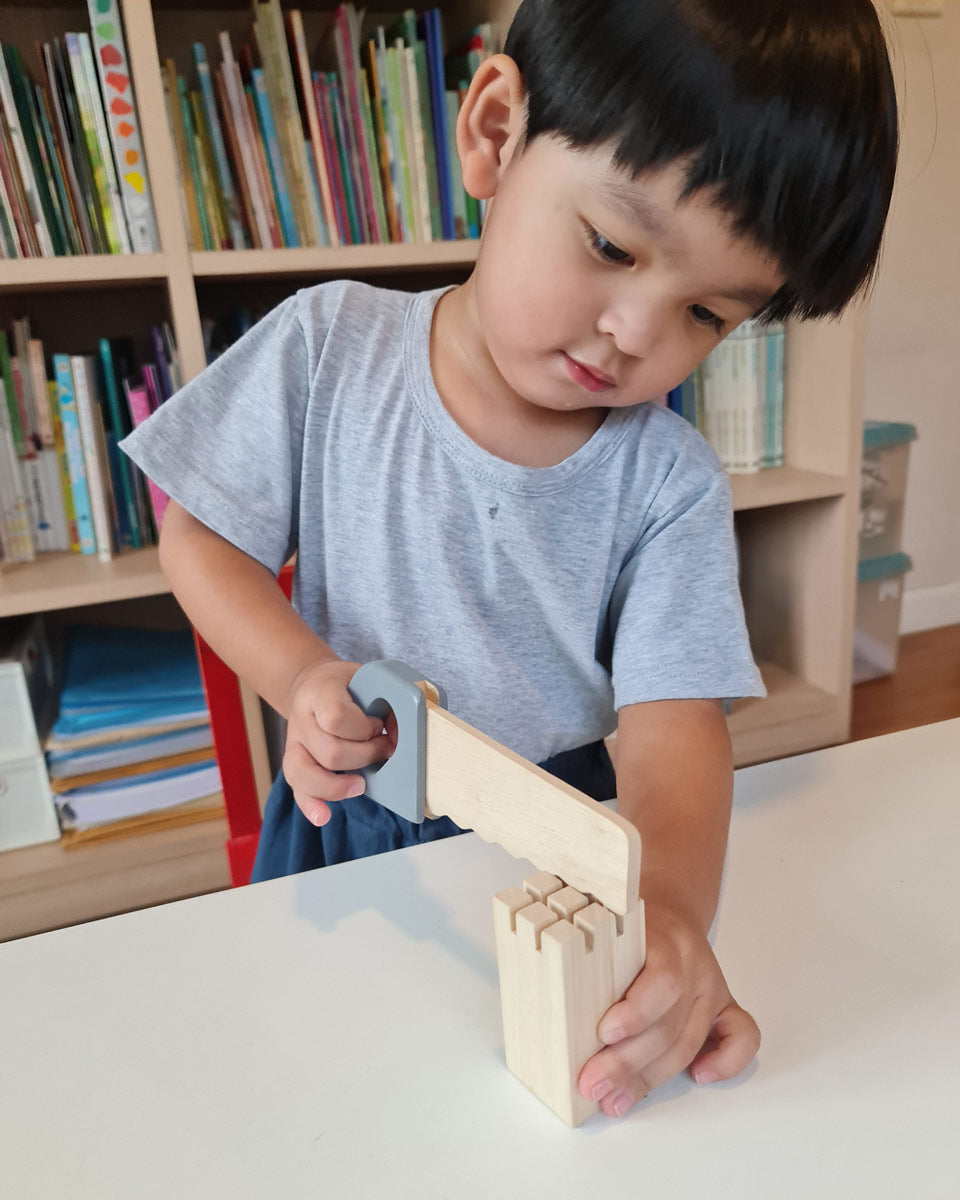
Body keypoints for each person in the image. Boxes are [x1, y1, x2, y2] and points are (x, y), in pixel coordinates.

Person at [121, 0, 898, 1120]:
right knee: (316, 1090)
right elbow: (197, 533)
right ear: (492, 135)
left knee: (512, 1113)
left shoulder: (668, 481)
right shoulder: (327, 345)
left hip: (560, 845)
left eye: (707, 314)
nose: (637, 332)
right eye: (612, 247)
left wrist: (668, 912)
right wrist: (299, 680)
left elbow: (678, 730)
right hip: (352, 824)